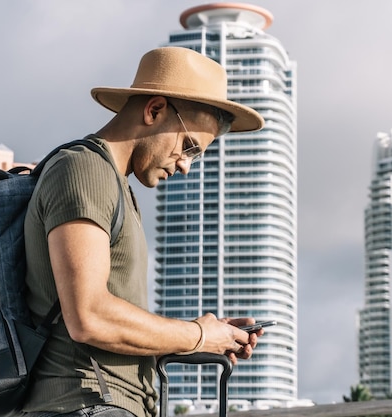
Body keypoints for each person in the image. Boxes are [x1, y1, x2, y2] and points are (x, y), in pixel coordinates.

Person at [22, 46, 266, 417]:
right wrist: (198, 335)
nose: (185, 166)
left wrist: (211, 337)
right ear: (154, 110)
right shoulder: (84, 171)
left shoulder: (116, 186)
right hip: (83, 404)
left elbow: (110, 324)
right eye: (188, 147)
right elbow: (89, 316)